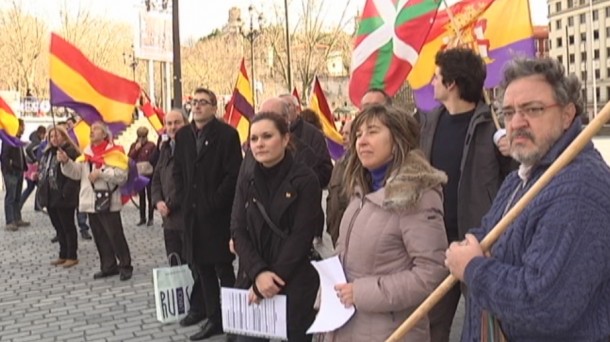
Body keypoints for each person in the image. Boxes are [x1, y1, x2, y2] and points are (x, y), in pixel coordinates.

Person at [445, 57, 610, 341]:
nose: (517, 122)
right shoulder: (519, 179)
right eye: (508, 112)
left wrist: (474, 268)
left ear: (568, 114)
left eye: (532, 109)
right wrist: (472, 249)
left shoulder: (579, 189)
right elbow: (484, 236)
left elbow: (543, 304)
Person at [327, 104, 449, 341]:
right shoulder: (360, 190)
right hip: (346, 324)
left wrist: (361, 293)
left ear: (398, 140)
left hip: (392, 331)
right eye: (358, 134)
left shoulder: (417, 194)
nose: (361, 141)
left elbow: (432, 273)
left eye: (372, 132)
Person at [418, 48, 514, 342]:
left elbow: (519, 182)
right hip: (437, 244)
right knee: (431, 324)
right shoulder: (429, 121)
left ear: (452, 84)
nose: (431, 82)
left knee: (487, 327)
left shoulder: (494, 128)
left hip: (481, 245)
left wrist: (515, 150)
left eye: (436, 77)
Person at [232, 112, 322, 341]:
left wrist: (272, 280)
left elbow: (301, 237)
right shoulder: (247, 177)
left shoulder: (306, 180)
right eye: (254, 139)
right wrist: (259, 273)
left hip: (293, 281)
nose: (259, 144)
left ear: (285, 139)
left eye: (267, 136)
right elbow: (238, 228)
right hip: (252, 278)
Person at [173, 87, 242, 341]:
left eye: (204, 102)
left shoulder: (227, 135)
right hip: (192, 217)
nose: (198, 106)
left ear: (214, 107)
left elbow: (233, 175)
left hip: (217, 216)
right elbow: (178, 171)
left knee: (223, 270)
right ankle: (214, 318)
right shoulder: (183, 136)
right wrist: (183, 198)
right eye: (194, 102)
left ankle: (234, 319)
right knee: (202, 269)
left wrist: (213, 202)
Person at [151, 108, 207, 327]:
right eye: (169, 123)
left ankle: (199, 307)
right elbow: (156, 179)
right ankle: (184, 302)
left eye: (177, 123)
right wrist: (158, 202)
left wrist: (171, 204)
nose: (173, 127)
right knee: (176, 262)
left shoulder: (193, 147)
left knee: (196, 266)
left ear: (186, 123)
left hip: (187, 218)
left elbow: (189, 183)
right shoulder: (165, 148)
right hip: (169, 221)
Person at [59, 121, 133, 281]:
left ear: (105, 134)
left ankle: (125, 265)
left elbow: (122, 176)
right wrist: (66, 162)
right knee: (99, 236)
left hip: (108, 201)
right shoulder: (87, 152)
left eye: (95, 129)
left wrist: (101, 172)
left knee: (115, 235)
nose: (91, 132)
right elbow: (77, 173)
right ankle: (108, 266)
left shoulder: (115, 152)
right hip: (91, 202)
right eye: (91, 130)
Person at [37, 127, 80, 268]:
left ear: (64, 136)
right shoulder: (48, 152)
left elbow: (75, 174)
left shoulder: (70, 151)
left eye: (57, 136)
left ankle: (72, 255)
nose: (54, 139)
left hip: (64, 195)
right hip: (50, 195)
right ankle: (63, 253)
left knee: (68, 226)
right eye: (51, 136)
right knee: (58, 227)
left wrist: (66, 191)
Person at [279, 94, 332, 188]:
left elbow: (325, 172)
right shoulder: (270, 136)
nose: (283, 111)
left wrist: (304, 184)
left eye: (287, 106)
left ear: (297, 109)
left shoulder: (314, 135)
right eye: (279, 107)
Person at [325, 119, 352, 246]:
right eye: (343, 133)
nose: (343, 137)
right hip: (337, 232)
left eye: (348, 133)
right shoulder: (339, 164)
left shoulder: (363, 166)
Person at [66, 116, 93, 240]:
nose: (69, 127)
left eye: (70, 124)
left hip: (81, 181)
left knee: (81, 205)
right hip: (69, 181)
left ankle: (83, 228)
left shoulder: (82, 143)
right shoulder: (67, 146)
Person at [1, 119, 30, 231]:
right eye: (22, 126)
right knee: (11, 197)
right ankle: (10, 221)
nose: (24, 129)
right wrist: (10, 168)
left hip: (19, 171)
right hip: (12, 172)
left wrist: (23, 167)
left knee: (17, 196)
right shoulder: (9, 139)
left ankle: (17, 218)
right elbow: (4, 156)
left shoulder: (17, 140)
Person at [129, 126, 157, 226]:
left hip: (149, 174)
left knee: (150, 196)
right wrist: (136, 149)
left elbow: (155, 158)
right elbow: (129, 158)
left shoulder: (151, 145)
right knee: (141, 197)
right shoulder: (134, 145)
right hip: (138, 174)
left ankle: (151, 218)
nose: (142, 139)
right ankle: (142, 218)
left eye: (143, 137)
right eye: (140, 137)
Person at [21, 125, 46, 211]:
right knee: (35, 186)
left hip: (30, 166)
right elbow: (28, 149)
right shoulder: (36, 142)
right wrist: (34, 159)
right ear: (40, 133)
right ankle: (36, 205)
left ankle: (37, 205)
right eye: (43, 134)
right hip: (32, 166)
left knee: (33, 187)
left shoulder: (34, 139)